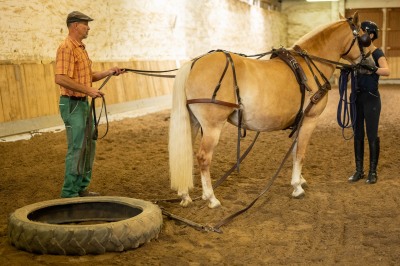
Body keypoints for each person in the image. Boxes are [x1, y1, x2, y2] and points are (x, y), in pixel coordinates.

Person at [55, 11, 125, 197]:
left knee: (89, 146)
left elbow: (87, 77)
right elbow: (60, 78)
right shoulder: (66, 47)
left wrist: (109, 72)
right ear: (75, 25)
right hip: (72, 104)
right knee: (77, 147)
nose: (88, 27)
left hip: (82, 103)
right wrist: (89, 91)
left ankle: (81, 188)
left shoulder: (80, 48)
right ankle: (69, 193)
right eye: (86, 24)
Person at [348, 20, 390, 184]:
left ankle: (373, 172)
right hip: (357, 98)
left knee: (372, 135)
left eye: (363, 32)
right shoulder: (357, 54)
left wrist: (373, 69)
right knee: (358, 134)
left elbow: (387, 71)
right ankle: (359, 171)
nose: (361, 35)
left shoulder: (377, 53)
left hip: (371, 98)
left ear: (371, 35)